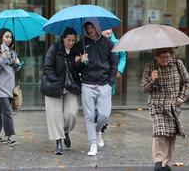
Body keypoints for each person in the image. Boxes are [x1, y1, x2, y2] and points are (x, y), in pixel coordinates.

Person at [140, 48, 189, 171]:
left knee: (170, 134)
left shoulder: (178, 64)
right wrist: (152, 80)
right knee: (159, 132)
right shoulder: (150, 66)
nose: (165, 60)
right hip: (157, 105)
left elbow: (187, 82)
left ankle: (165, 164)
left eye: (168, 57)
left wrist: (181, 97)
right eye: (162, 57)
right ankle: (158, 162)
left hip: (173, 106)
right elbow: (143, 88)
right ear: (156, 57)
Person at [76, 20, 118, 156]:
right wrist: (81, 61)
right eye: (87, 28)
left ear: (97, 27)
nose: (89, 30)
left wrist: (110, 83)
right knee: (89, 116)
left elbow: (114, 65)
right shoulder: (81, 43)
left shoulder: (108, 43)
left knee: (104, 115)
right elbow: (76, 66)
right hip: (87, 83)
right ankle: (93, 144)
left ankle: (98, 130)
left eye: (91, 27)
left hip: (104, 84)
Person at [40, 27, 81, 155]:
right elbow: (47, 67)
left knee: (72, 114)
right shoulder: (54, 49)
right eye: (69, 40)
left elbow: (78, 70)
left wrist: (80, 62)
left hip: (70, 86)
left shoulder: (76, 52)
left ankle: (65, 131)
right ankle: (58, 141)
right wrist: (56, 80)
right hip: (54, 86)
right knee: (55, 115)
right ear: (63, 38)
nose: (71, 43)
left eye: (73, 40)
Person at [0, 28, 22, 145]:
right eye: (6, 37)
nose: (9, 39)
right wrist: (3, 58)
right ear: (1, 37)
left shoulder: (12, 51)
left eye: (10, 37)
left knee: (0, 112)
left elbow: (14, 69)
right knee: (7, 111)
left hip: (9, 87)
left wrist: (17, 64)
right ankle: (9, 136)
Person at [100, 29, 127, 142]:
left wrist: (119, 70)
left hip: (110, 77)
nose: (108, 31)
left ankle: (104, 120)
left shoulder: (117, 43)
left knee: (106, 100)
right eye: (106, 29)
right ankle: (100, 122)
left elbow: (123, 57)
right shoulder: (96, 42)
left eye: (110, 28)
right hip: (97, 76)